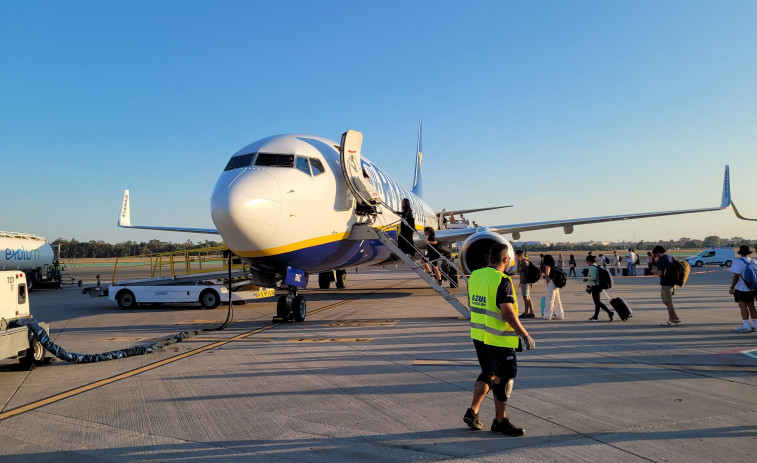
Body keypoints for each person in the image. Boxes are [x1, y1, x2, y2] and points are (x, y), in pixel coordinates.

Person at [465, 242, 534, 436]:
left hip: (479, 335)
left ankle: (473, 411)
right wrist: (525, 334)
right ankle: (500, 421)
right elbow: (508, 313)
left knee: (488, 373)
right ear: (505, 260)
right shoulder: (502, 280)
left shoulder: (475, 276)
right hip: (499, 339)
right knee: (504, 378)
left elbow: (471, 304)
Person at [728, 245, 757, 333]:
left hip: (741, 288)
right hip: (752, 288)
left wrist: (732, 287)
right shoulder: (754, 261)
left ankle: (746, 325)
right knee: (751, 305)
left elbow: (736, 276)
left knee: (743, 305)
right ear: (749, 253)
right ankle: (755, 325)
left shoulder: (738, 262)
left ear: (741, 253)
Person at [653, 245, 681, 326]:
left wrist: (653, 271)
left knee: (668, 302)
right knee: (666, 301)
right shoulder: (670, 257)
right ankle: (675, 317)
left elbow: (659, 273)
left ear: (658, 253)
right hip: (672, 282)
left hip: (666, 283)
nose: (655, 256)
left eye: (655, 255)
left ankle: (671, 320)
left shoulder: (661, 260)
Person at [584, 255, 614, 322]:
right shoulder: (596, 266)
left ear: (589, 261)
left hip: (595, 286)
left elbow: (593, 277)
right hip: (599, 285)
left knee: (597, 302)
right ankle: (595, 316)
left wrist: (587, 279)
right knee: (597, 302)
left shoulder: (591, 267)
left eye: (587, 261)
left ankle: (610, 313)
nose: (587, 263)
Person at [540, 254, 564, 320]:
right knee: (557, 300)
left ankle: (547, 315)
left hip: (551, 284)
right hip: (556, 284)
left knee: (549, 300)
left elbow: (547, 275)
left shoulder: (547, 266)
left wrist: (547, 281)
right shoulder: (553, 267)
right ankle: (560, 315)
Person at [515, 250, 535, 318]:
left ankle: (526, 313)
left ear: (519, 255)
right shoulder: (526, 261)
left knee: (525, 298)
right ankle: (531, 312)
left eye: (516, 256)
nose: (515, 257)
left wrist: (518, 262)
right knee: (528, 297)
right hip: (526, 281)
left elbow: (518, 271)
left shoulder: (523, 262)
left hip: (525, 282)